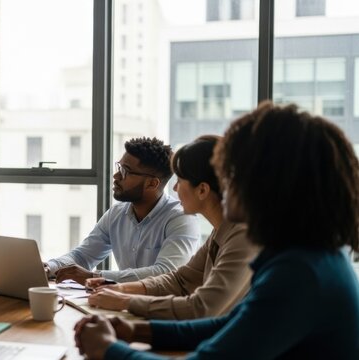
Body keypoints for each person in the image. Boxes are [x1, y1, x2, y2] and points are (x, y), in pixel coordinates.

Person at [74, 102, 359, 359]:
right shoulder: (305, 256)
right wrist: (137, 331)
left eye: (229, 173)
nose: (223, 185)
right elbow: (233, 324)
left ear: (265, 184)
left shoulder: (299, 273)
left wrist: (108, 349)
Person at [85, 135, 258, 320]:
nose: (175, 188)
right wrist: (119, 288)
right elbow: (180, 280)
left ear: (202, 190)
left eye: (180, 181)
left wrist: (125, 301)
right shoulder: (221, 231)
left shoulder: (243, 236)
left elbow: (201, 308)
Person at [45, 137, 200, 284]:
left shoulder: (181, 218)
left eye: (125, 171)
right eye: (119, 167)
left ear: (152, 184)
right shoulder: (116, 214)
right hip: (124, 302)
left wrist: (95, 277)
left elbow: (165, 273)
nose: (116, 175)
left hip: (165, 307)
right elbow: (82, 256)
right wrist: (49, 267)